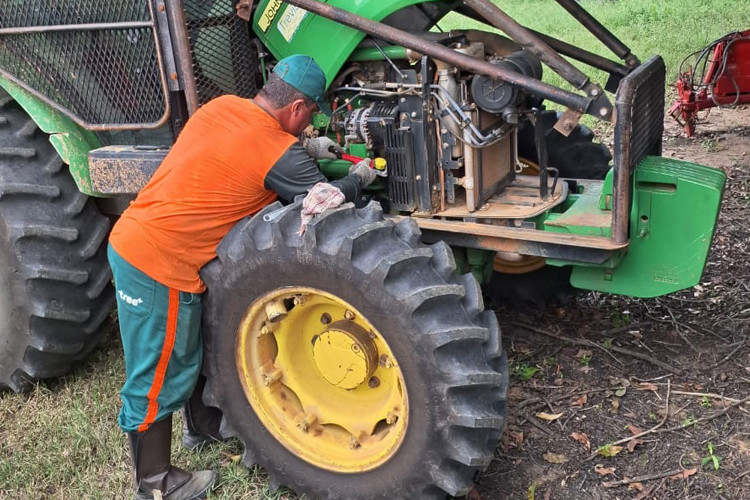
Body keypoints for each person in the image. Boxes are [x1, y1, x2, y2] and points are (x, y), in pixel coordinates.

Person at [107, 54, 376, 500]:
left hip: (141, 238)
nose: (310, 125)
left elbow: (237, 148)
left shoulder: (222, 107)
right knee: (155, 373)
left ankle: (203, 428)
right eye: (311, 115)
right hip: (157, 261)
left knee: (187, 351)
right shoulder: (276, 151)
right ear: (296, 109)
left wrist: (307, 149)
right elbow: (322, 201)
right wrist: (357, 178)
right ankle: (155, 483)